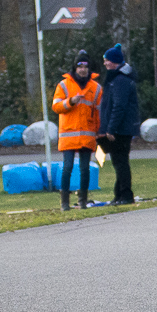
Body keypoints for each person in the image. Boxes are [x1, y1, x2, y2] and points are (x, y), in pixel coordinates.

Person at [50, 52, 102, 211]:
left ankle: (83, 201)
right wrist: (70, 102)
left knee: (85, 169)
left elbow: (99, 112)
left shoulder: (96, 88)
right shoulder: (64, 85)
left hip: (87, 135)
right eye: (80, 66)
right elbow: (56, 107)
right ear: (75, 67)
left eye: (85, 66)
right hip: (69, 135)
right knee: (67, 168)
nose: (83, 69)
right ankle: (64, 202)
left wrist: (99, 132)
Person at [98, 43, 141, 206]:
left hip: (120, 129)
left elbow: (119, 106)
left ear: (114, 61)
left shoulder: (120, 81)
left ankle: (126, 194)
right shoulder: (117, 79)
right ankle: (119, 195)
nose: (105, 63)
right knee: (119, 162)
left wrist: (111, 129)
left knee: (120, 162)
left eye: (107, 60)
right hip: (121, 128)